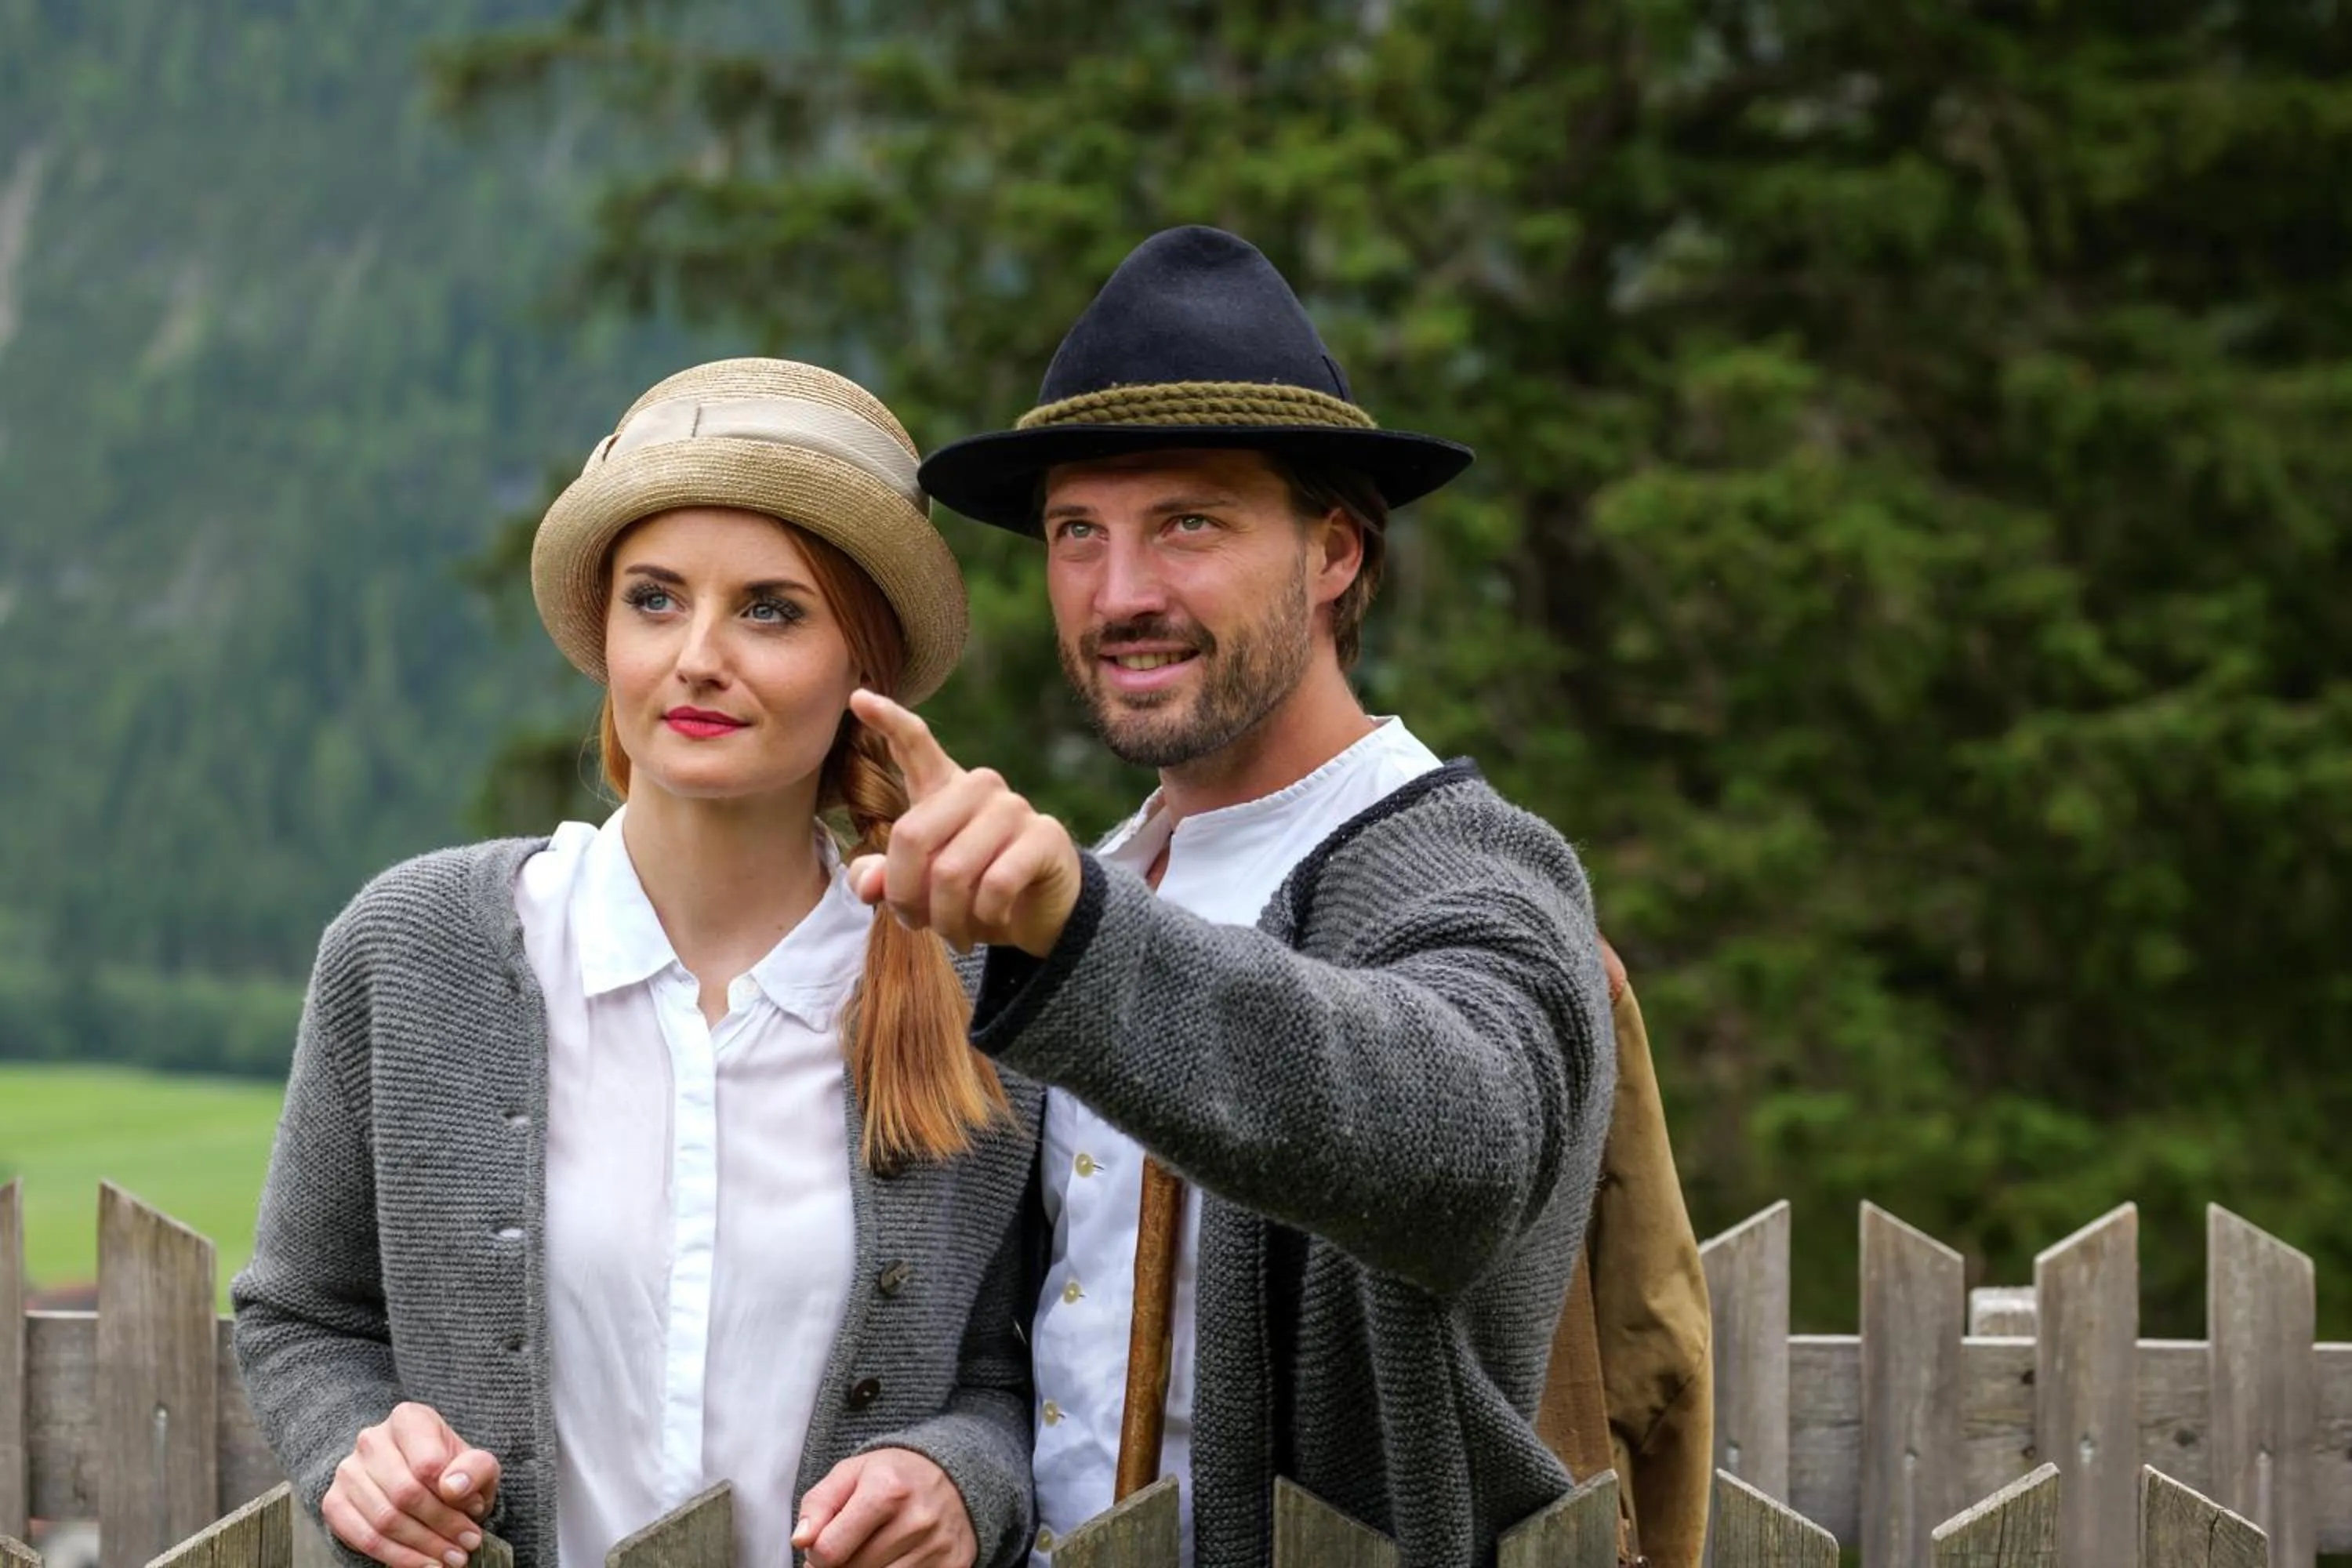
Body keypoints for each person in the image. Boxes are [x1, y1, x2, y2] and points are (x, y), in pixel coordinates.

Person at [841, 225, 1619, 1568]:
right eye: (1078, 532)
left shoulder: (1468, 864)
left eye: (1188, 523)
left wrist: (1075, 931)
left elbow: (1463, 1148)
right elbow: (1011, 1349)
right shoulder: (1089, 877)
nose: (1121, 593)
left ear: (1335, 553)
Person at [232, 358, 1042, 1568]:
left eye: (771, 609)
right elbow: (302, 1317)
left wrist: (964, 1479)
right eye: (656, 600)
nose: (698, 656)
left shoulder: (983, 991)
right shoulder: (410, 954)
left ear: (859, 663)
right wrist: (357, 1451)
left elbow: (1005, 1370)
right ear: (603, 633)